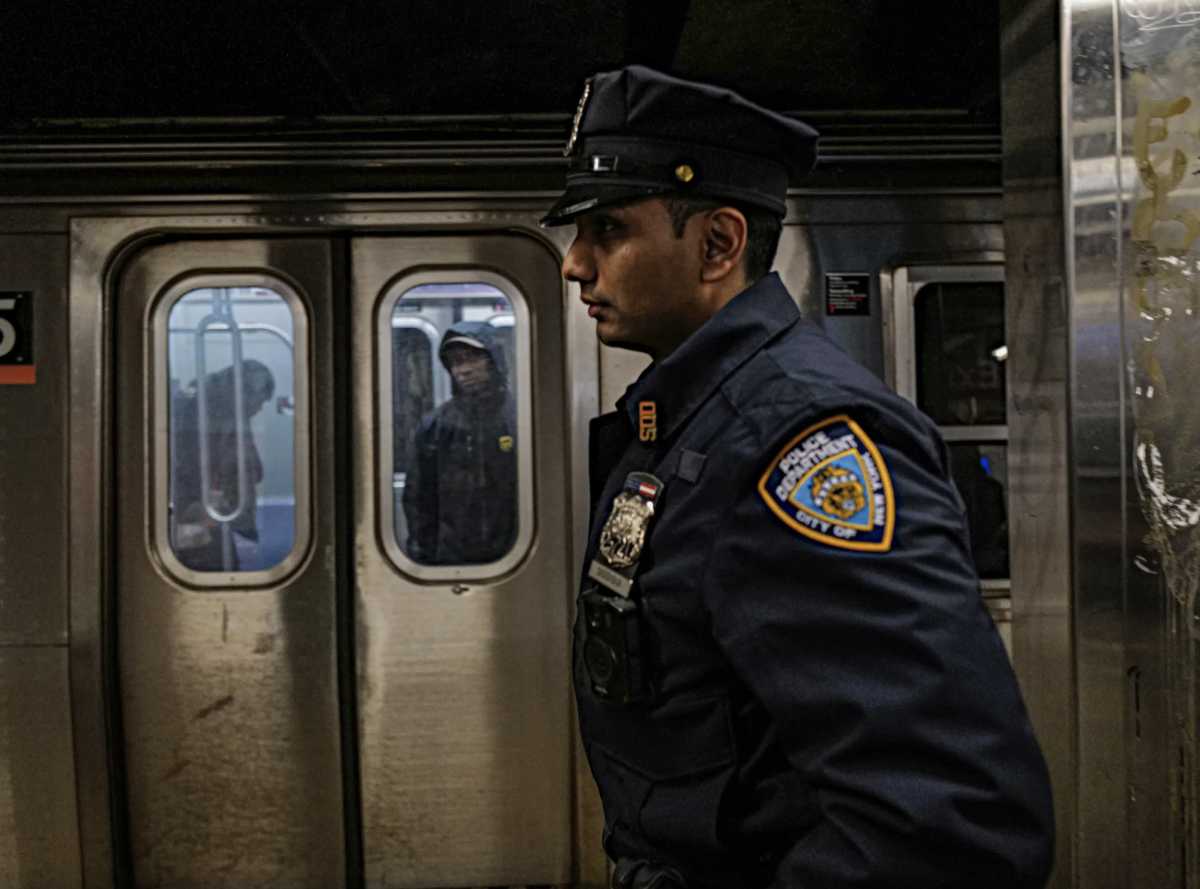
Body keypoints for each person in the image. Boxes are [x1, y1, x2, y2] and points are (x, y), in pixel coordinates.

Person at [542, 65, 1054, 889]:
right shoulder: (687, 420)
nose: (575, 264)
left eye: (607, 229)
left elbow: (948, 824)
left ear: (718, 244)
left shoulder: (794, 442)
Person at [402, 321, 518, 564]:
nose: (463, 370)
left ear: (493, 361)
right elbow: (419, 498)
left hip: (515, 553)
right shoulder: (435, 426)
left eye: (472, 359)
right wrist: (423, 558)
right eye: (455, 362)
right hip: (451, 559)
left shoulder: (518, 419)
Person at [171, 359, 275, 571]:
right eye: (260, 401)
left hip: (214, 510)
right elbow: (193, 462)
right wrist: (202, 504)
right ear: (245, 393)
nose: (259, 409)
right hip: (200, 510)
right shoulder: (208, 413)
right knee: (214, 570)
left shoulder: (227, 410)